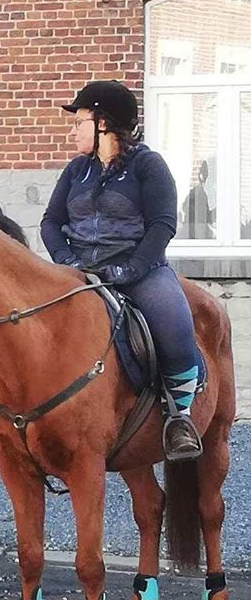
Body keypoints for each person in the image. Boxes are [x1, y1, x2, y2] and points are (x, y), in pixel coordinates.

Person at [40, 79, 202, 461]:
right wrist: (67, 262)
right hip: (79, 270)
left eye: (78, 122)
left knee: (175, 324)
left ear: (102, 124)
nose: (73, 131)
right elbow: (51, 222)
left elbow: (163, 224)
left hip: (139, 270)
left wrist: (131, 269)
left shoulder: (148, 165)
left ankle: (179, 417)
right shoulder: (76, 170)